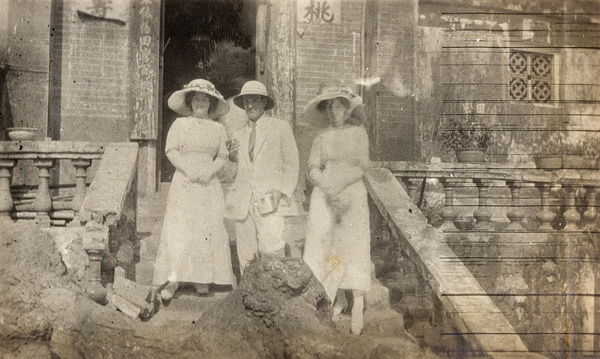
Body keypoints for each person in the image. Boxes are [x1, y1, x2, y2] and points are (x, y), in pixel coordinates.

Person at [153, 79, 237, 301]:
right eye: (196, 99)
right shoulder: (180, 125)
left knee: (206, 228)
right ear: (190, 102)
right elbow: (170, 150)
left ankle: (203, 277)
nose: (200, 103)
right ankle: (174, 280)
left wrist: (210, 172)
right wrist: (188, 169)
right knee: (180, 228)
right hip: (185, 180)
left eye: (205, 100)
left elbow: (222, 155)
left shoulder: (218, 128)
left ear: (210, 104)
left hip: (208, 183)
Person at [301, 86, 371, 335]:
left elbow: (363, 165)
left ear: (348, 108)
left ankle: (358, 301)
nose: (335, 111)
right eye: (330, 106)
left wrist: (339, 185)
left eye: (339, 106)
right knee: (327, 244)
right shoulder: (322, 136)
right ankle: (336, 297)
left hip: (351, 191)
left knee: (353, 244)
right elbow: (312, 167)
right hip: (325, 192)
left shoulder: (358, 133)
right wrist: (325, 185)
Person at [225, 80, 299, 275]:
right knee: (246, 255)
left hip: (269, 200)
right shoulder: (238, 135)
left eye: (255, 101)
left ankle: (275, 298)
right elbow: (230, 174)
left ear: (264, 103)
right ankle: (250, 299)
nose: (250, 106)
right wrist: (232, 159)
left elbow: (292, 164)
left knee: (272, 248)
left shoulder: (280, 128)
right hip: (243, 201)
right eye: (246, 102)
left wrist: (279, 191)